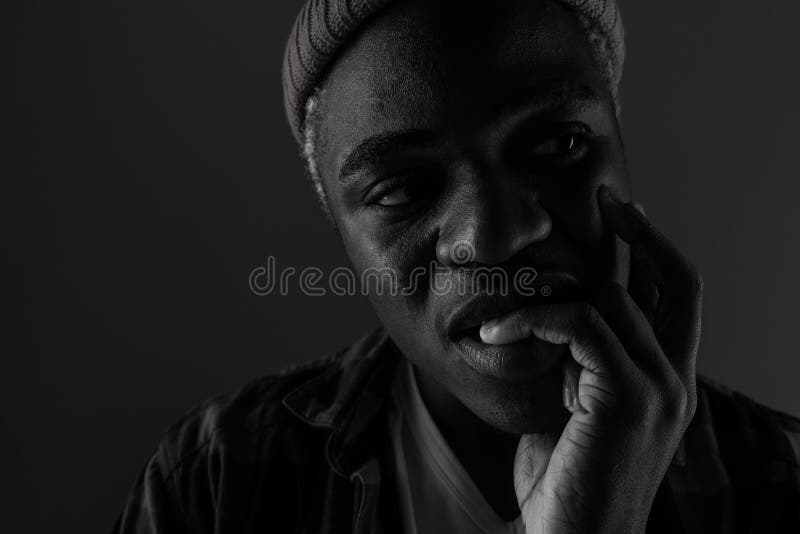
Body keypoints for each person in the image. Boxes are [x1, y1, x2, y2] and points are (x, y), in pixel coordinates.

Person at [113, 0, 800, 532]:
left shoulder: (780, 483)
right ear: (344, 238)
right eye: (404, 189)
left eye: (558, 144)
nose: (494, 237)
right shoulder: (217, 483)